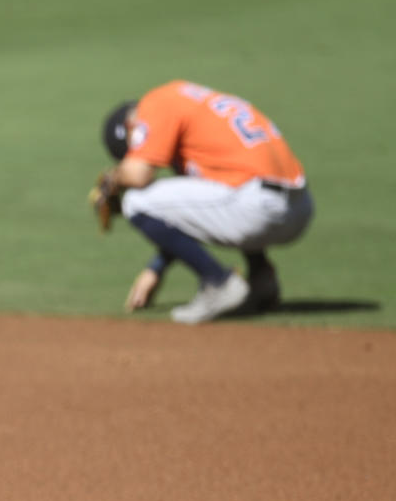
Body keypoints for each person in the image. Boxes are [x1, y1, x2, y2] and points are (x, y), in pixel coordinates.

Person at [94, 80, 315, 323]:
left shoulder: (156, 103)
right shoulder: (193, 102)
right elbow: (189, 218)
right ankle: (262, 280)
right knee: (221, 190)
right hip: (299, 208)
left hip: (256, 208)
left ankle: (218, 283)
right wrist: (155, 269)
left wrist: (114, 178)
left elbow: (138, 174)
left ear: (132, 129)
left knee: (136, 201)